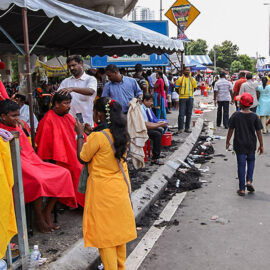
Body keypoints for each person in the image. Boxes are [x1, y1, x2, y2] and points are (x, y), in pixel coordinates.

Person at [75, 97, 137, 269]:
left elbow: (82, 156)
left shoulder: (98, 137)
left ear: (100, 114)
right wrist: (90, 134)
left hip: (102, 192)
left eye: (94, 111)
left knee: (105, 237)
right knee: (118, 234)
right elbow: (105, 148)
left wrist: (80, 134)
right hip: (120, 190)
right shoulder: (121, 134)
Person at [0, 99, 77, 232]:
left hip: (33, 161)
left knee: (63, 173)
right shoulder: (2, 131)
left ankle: (47, 211)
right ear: (3, 116)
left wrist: (23, 128)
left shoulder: (20, 125)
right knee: (38, 181)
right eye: (13, 116)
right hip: (16, 164)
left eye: (18, 115)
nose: (17, 118)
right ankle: (39, 217)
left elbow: (29, 147)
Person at [35, 92, 89, 207]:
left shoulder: (67, 116)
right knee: (77, 169)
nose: (69, 106)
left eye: (69, 103)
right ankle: (78, 202)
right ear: (56, 104)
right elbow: (45, 150)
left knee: (86, 166)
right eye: (65, 103)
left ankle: (86, 201)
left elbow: (79, 135)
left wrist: (85, 132)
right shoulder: (47, 120)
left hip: (73, 153)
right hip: (59, 159)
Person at [226, 93, 263, 196]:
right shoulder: (255, 116)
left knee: (241, 165)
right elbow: (259, 131)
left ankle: (242, 189)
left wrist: (227, 141)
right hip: (251, 144)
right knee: (251, 162)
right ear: (250, 104)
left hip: (239, 144)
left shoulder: (236, 115)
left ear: (240, 104)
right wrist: (261, 145)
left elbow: (230, 130)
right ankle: (249, 181)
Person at [57, 55, 97, 126]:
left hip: (86, 122)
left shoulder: (90, 79)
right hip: (69, 122)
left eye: (73, 65)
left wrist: (72, 89)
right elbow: (59, 95)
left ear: (81, 63)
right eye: (69, 66)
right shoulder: (66, 81)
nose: (71, 68)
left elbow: (91, 91)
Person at [141, 94, 167, 165]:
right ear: (145, 101)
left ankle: (156, 153)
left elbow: (151, 121)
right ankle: (155, 158)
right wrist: (160, 124)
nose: (152, 103)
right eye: (150, 101)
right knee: (157, 134)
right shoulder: (141, 109)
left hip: (145, 127)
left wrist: (159, 123)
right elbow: (146, 125)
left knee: (160, 130)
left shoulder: (146, 108)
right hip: (141, 130)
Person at [175, 66, 197, 133]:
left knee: (189, 113)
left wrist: (190, 93)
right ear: (183, 71)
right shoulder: (180, 79)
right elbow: (176, 88)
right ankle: (180, 129)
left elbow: (195, 88)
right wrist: (181, 94)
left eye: (188, 70)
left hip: (190, 98)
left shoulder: (192, 79)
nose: (187, 71)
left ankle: (187, 128)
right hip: (182, 98)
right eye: (186, 70)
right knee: (181, 114)